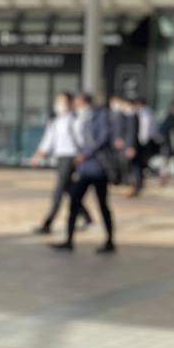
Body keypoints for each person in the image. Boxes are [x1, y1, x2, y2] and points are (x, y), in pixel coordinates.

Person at [51, 93, 115, 254]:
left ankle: (110, 241)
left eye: (77, 102)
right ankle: (69, 240)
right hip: (84, 169)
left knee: (102, 205)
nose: (75, 105)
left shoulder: (100, 116)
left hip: (98, 168)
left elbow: (103, 138)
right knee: (74, 202)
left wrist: (85, 153)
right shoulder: (77, 118)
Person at [30, 92, 92, 235]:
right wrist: (39, 154)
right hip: (60, 157)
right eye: (58, 101)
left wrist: (82, 155)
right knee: (69, 190)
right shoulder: (56, 120)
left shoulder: (75, 120)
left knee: (58, 191)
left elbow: (82, 139)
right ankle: (87, 217)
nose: (59, 105)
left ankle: (48, 223)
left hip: (70, 157)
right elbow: (48, 139)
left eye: (62, 102)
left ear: (70, 103)